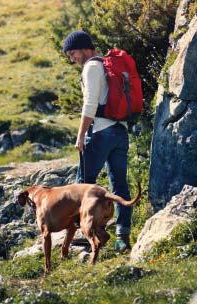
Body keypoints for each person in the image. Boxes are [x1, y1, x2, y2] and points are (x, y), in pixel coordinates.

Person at [62, 30, 132, 252]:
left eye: (72, 53)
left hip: (101, 132)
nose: (71, 58)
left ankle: (86, 234)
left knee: (82, 184)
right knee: (119, 185)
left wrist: (81, 134)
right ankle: (123, 237)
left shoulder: (91, 67)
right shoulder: (106, 65)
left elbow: (90, 103)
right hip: (120, 132)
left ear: (84, 48)